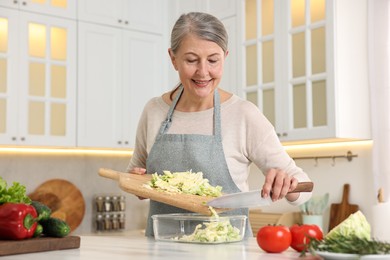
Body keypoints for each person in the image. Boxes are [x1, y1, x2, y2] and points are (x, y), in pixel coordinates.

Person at [126, 12, 312, 238]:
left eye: (213, 60)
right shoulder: (153, 111)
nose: (203, 72)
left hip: (227, 250)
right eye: (191, 60)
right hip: (162, 249)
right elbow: (135, 176)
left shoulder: (243, 114)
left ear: (225, 56)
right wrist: (138, 183)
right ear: (173, 58)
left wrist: (288, 184)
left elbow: (303, 184)